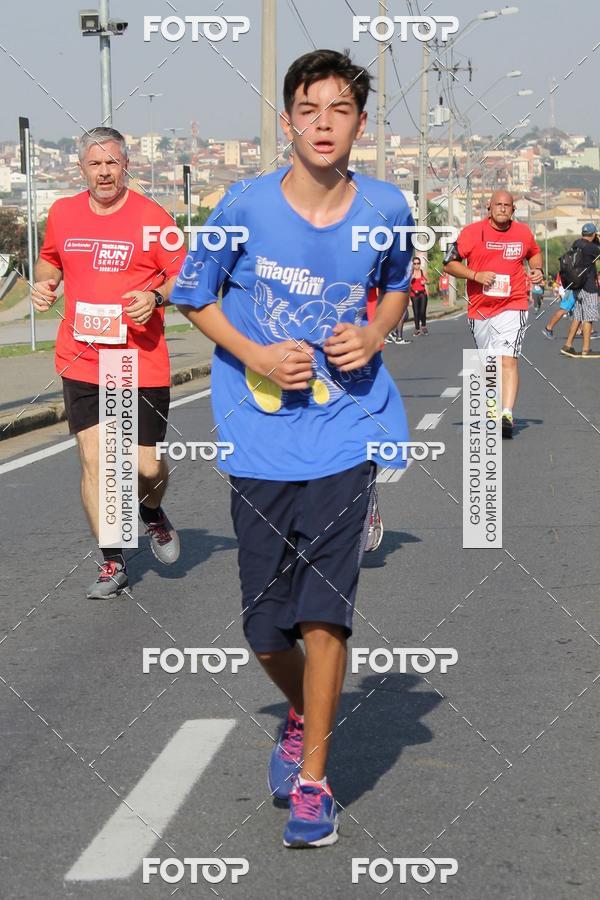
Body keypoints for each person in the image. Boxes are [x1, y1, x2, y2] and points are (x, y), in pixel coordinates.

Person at [171, 49, 413, 848]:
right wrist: (256, 354)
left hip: (346, 433)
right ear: (287, 121)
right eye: (308, 109)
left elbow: (400, 285)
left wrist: (372, 333)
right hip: (258, 438)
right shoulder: (242, 205)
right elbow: (194, 298)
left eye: (338, 109)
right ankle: (303, 712)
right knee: (264, 626)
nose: (323, 123)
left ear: (359, 125)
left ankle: (315, 780)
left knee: (324, 616)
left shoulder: (386, 205)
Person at [32, 127, 184, 598]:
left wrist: (156, 296)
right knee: (96, 460)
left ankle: (151, 512)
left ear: (126, 166)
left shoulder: (153, 217)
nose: (104, 172)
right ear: (81, 168)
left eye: (112, 163)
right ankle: (112, 561)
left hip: (139, 360)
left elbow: (187, 273)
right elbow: (49, 261)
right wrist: (44, 285)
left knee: (146, 468)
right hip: (82, 358)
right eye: (95, 164)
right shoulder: (62, 213)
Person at [443, 190, 543, 439]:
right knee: (488, 362)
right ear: (489, 207)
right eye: (497, 204)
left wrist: (537, 269)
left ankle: (506, 414)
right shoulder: (472, 233)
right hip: (480, 308)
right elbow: (449, 263)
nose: (502, 209)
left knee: (508, 358)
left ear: (513, 210)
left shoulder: (522, 233)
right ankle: (492, 407)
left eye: (507, 205)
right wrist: (475, 275)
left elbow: (534, 252)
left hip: (514, 304)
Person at [560, 223, 600, 358]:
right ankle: (586, 349)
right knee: (588, 318)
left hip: (576, 286)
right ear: (594, 234)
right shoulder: (592, 248)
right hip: (588, 287)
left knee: (578, 317)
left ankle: (568, 345)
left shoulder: (576, 243)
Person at [410, 257, 429, 334]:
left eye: (418, 263)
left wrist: (425, 282)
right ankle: (417, 328)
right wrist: (411, 279)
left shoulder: (422, 272)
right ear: (413, 264)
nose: (416, 265)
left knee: (422, 311)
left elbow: (428, 280)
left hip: (422, 294)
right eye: (415, 263)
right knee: (416, 312)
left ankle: (423, 326)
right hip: (413, 294)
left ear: (420, 264)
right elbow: (406, 285)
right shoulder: (410, 273)